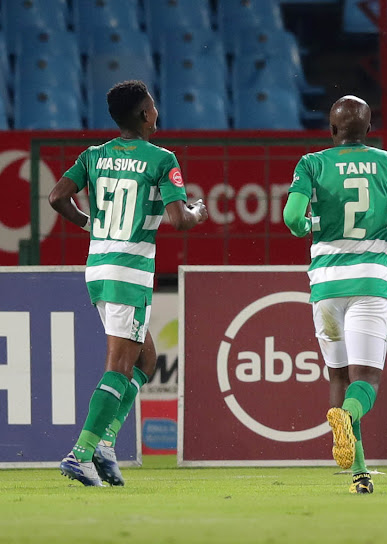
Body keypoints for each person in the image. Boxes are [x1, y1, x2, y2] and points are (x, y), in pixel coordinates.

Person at [49, 80, 208, 486]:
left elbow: (56, 197)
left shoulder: (93, 155)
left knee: (146, 359)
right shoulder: (161, 158)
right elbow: (177, 219)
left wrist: (90, 225)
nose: (156, 112)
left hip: (98, 268)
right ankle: (81, 453)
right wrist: (197, 211)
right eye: (152, 106)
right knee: (119, 365)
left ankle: (105, 441)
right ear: (144, 114)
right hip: (129, 273)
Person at [284, 95, 387, 494]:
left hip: (326, 286)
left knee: (339, 374)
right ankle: (348, 418)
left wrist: (310, 224)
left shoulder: (311, 163)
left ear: (331, 131)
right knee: (366, 380)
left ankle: (359, 473)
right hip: (369, 284)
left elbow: (293, 219)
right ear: (370, 130)